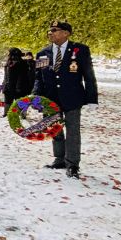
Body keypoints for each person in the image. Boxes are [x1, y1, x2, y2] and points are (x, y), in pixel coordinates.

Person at [33, 21, 98, 178]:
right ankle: (60, 159)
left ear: (66, 33)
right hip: (50, 99)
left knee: (73, 131)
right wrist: (35, 97)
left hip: (72, 98)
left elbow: (89, 76)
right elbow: (39, 78)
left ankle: (73, 164)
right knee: (55, 129)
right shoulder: (43, 53)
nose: (50, 33)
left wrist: (92, 99)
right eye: (49, 30)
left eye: (54, 30)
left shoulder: (80, 50)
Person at [2, 47, 34, 117]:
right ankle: (6, 113)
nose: (8, 55)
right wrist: (4, 84)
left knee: (21, 101)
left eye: (9, 53)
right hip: (8, 86)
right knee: (8, 101)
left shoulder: (23, 63)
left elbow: (22, 76)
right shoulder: (8, 63)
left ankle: (22, 114)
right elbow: (6, 76)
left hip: (20, 87)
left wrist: (19, 88)